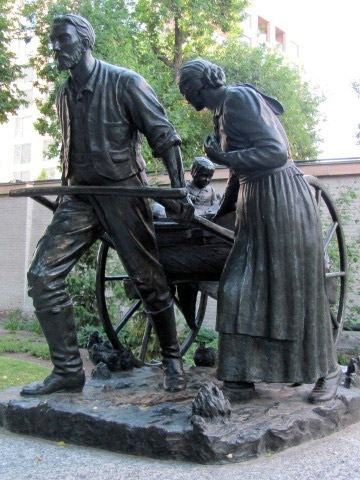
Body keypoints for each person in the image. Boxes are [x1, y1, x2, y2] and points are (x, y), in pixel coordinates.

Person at [21, 14, 187, 396]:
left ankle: (173, 359)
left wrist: (179, 191)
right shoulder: (63, 94)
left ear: (84, 41)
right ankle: (66, 371)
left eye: (62, 39)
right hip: (79, 197)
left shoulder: (125, 82)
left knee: (148, 279)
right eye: (53, 41)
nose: (56, 48)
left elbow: (164, 137)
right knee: (42, 277)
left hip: (123, 194)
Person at [178, 59, 342, 403]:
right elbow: (239, 170)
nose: (185, 97)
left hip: (281, 200)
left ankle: (329, 370)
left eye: (185, 90)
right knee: (240, 288)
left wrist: (222, 157)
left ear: (198, 86)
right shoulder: (222, 110)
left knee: (293, 289)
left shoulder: (237, 99)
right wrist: (218, 212)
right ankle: (241, 377)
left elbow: (275, 151)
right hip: (256, 205)